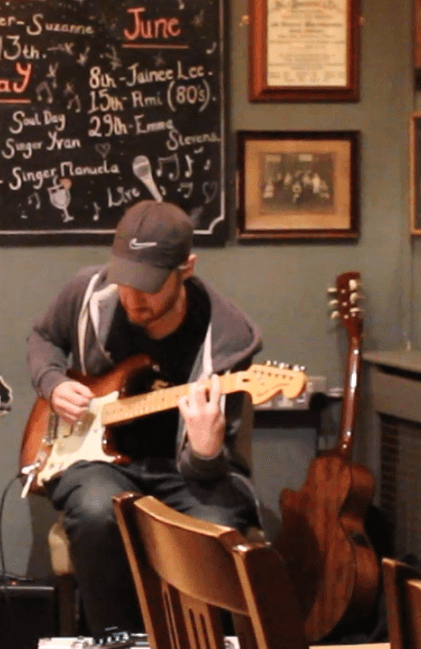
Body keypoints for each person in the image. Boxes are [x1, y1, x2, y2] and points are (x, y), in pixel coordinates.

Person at [26, 200, 262, 637]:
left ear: (186, 269)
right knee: (96, 511)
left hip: (183, 470)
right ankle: (118, 640)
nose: (133, 298)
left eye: (149, 285)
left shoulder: (228, 340)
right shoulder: (88, 290)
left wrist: (207, 452)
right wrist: (53, 382)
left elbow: (212, 468)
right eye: (125, 281)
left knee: (221, 526)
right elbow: (44, 337)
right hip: (96, 459)